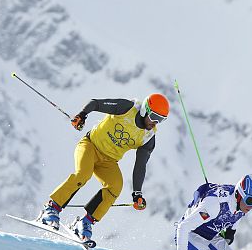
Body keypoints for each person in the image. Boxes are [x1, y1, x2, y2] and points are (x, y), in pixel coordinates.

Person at [37, 93, 170, 241]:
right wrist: (82, 115)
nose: (156, 123)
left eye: (161, 120)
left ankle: (85, 223)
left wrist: (137, 193)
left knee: (115, 186)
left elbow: (140, 165)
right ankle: (51, 208)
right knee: (83, 174)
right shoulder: (127, 108)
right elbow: (95, 103)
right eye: (155, 117)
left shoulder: (148, 137)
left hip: (108, 161)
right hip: (90, 145)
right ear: (145, 110)